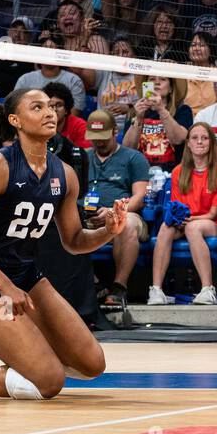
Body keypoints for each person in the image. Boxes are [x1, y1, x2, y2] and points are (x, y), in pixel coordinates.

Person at [0, 89, 129, 402]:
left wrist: (107, 231)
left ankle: (32, 360)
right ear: (15, 120)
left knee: (91, 364)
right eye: (37, 107)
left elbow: (74, 242)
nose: (49, 112)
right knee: (48, 383)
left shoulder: (66, 174)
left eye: (51, 106)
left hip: (26, 276)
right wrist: (6, 288)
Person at [147, 122, 217, 306]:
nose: (199, 142)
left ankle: (207, 289)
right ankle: (156, 290)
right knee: (165, 227)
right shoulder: (179, 171)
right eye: (195, 138)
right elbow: (178, 208)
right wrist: (177, 219)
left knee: (193, 228)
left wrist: (190, 220)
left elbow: (213, 213)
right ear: (188, 144)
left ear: (211, 143)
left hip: (212, 224)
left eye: (204, 138)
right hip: (186, 221)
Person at [81, 110, 148, 311]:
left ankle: (119, 287)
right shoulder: (82, 157)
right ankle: (93, 283)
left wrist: (114, 211)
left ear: (115, 132)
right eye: (94, 139)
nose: (98, 143)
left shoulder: (133, 158)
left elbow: (139, 196)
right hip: (87, 215)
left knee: (125, 225)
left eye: (103, 138)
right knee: (61, 224)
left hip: (123, 213)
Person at [124, 72, 193, 169]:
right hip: (141, 173)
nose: (157, 82)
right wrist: (138, 118)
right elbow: (128, 148)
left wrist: (161, 110)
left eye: (163, 79)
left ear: (170, 89)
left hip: (172, 173)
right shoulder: (135, 111)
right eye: (152, 79)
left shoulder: (183, 110)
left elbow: (178, 140)